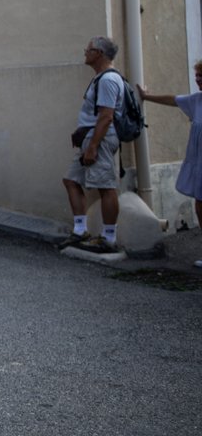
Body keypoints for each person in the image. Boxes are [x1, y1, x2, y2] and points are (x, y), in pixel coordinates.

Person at [61, 36, 125, 253]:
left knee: (106, 187)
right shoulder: (101, 78)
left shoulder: (107, 80)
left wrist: (94, 146)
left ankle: (109, 239)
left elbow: (106, 117)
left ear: (98, 53)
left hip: (100, 139)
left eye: (88, 49)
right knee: (71, 180)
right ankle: (80, 231)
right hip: (91, 137)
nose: (85, 53)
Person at [137, 62, 202, 267]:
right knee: (200, 205)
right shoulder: (197, 101)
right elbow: (173, 100)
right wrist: (146, 97)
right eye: (197, 76)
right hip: (199, 163)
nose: (197, 79)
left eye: (201, 76)